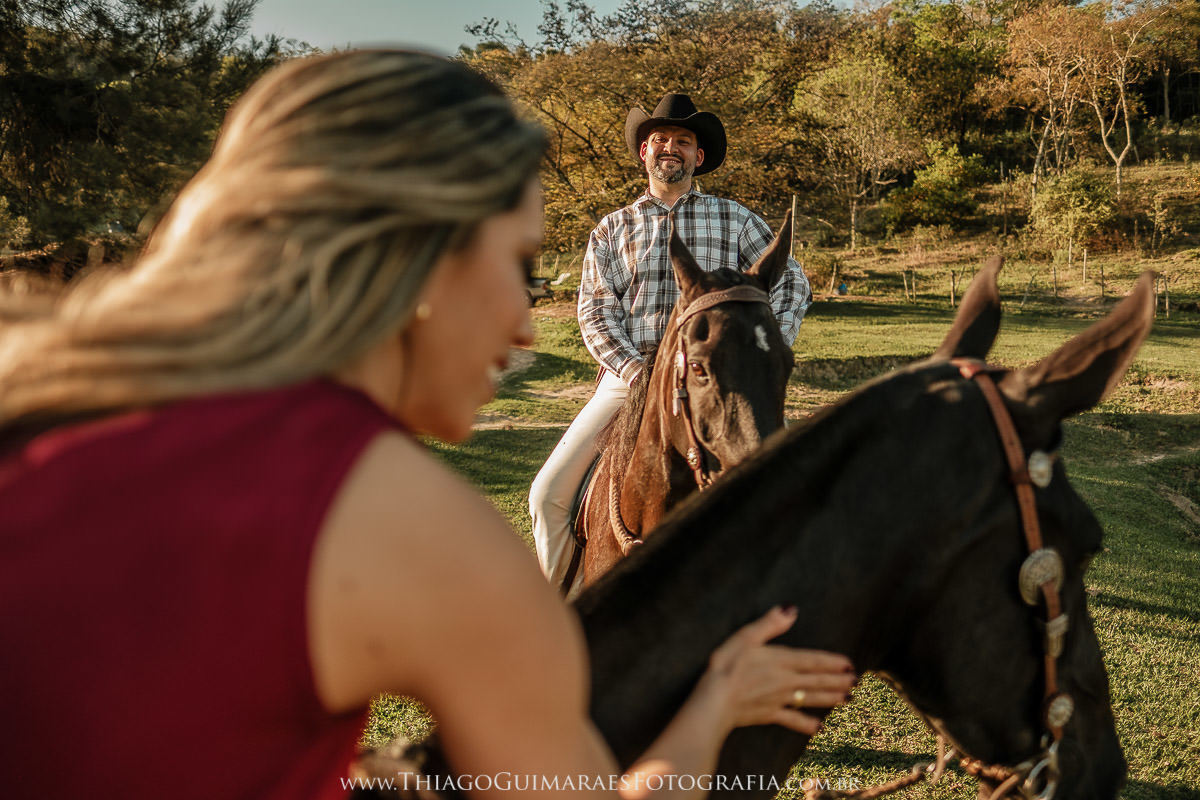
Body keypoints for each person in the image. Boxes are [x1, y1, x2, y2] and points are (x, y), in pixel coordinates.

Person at [0, 51, 851, 799]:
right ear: (416, 252)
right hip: (627, 384)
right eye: (515, 262)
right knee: (552, 493)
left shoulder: (45, 409)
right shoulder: (416, 529)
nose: (524, 325)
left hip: (714, 391)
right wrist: (712, 713)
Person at [529, 93, 813, 590]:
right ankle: (556, 615)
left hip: (721, 381)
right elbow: (595, 310)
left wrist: (758, 356)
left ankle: (794, 617)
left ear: (698, 157)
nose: (670, 148)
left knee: (794, 488)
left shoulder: (736, 220)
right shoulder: (612, 229)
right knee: (548, 495)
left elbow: (791, 282)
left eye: (683, 141)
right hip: (630, 378)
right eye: (659, 139)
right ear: (644, 152)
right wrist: (639, 374)